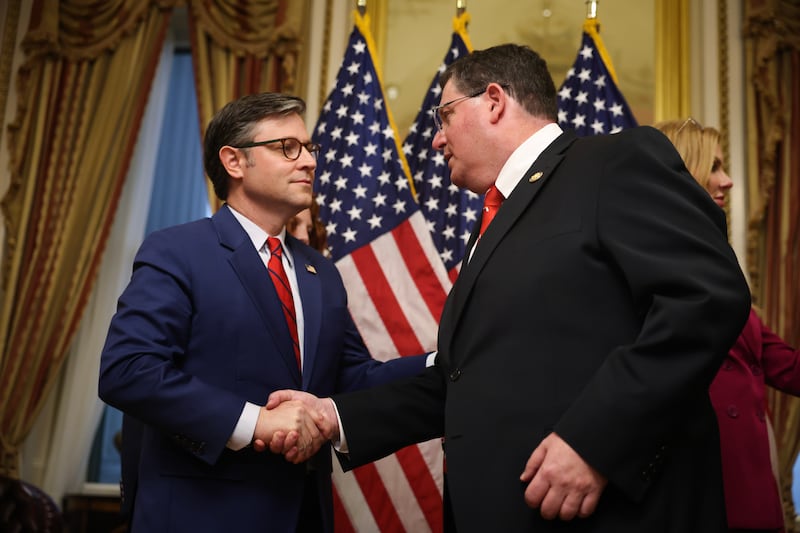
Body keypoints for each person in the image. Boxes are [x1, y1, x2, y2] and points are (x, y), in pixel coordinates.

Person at [265, 44, 752, 532]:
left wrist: (596, 441)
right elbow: (462, 380)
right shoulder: (492, 223)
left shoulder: (614, 162)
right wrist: (334, 415)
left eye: (445, 116)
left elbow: (706, 297)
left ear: (494, 101)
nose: (436, 140)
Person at [98, 92, 429, 533]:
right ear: (234, 162)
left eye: (309, 149)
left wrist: (442, 363)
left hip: (303, 514)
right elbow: (128, 370)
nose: (309, 162)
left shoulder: (320, 272)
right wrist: (256, 422)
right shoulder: (178, 250)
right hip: (202, 514)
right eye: (287, 148)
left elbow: (353, 378)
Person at [656, 117, 800, 532]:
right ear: (683, 173)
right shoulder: (651, 265)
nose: (729, 180)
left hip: (749, 473)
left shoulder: (716, 262)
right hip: (704, 477)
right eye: (714, 166)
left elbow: (782, 365)